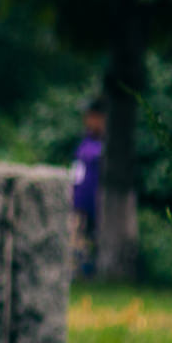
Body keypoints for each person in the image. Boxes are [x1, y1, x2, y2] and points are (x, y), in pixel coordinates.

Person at [69, 100, 105, 279]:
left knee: (94, 241)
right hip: (79, 202)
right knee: (78, 241)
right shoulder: (84, 144)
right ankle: (78, 274)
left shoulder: (105, 146)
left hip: (98, 204)